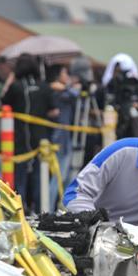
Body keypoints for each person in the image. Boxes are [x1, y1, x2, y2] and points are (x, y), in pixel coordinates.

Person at [2, 53, 56, 214]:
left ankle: (19, 211)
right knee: (41, 177)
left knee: (20, 178)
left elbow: (4, 101)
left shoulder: (16, 87)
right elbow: (54, 111)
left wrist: (11, 77)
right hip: (41, 140)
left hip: (20, 139)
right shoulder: (44, 87)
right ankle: (42, 211)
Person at [47, 63, 77, 195]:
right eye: (65, 73)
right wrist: (68, 86)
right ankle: (50, 207)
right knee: (58, 175)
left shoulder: (61, 90)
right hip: (59, 137)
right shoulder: (57, 91)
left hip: (65, 135)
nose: (68, 76)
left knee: (64, 175)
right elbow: (75, 94)